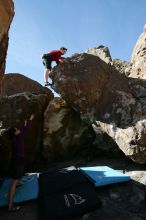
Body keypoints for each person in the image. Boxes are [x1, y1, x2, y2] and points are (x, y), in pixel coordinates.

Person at [8, 114, 35, 211]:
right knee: (14, 182)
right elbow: (26, 130)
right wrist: (30, 120)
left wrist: (24, 124)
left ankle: (18, 182)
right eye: (16, 129)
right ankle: (10, 206)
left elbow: (23, 130)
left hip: (16, 161)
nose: (18, 129)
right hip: (18, 162)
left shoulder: (14, 139)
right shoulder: (18, 138)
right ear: (15, 133)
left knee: (17, 177)